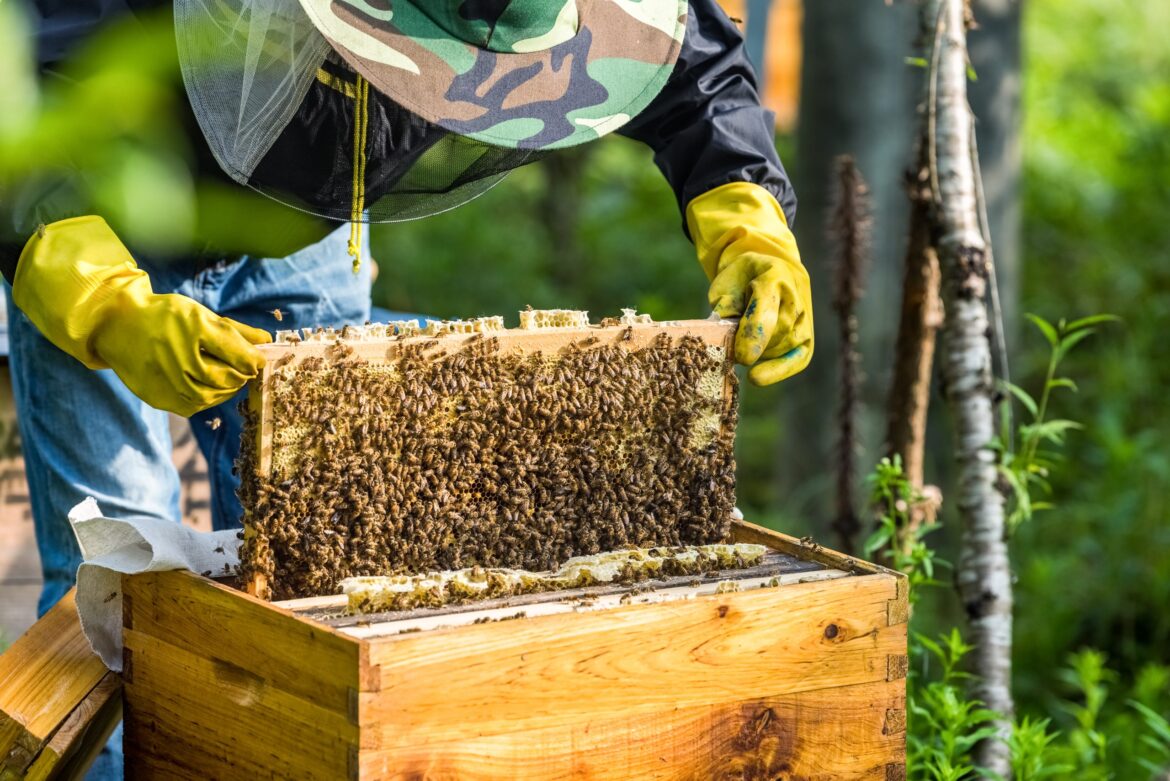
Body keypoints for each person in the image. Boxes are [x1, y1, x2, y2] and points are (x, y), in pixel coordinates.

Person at [1, 1, 812, 777]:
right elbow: (25, 76)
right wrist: (103, 300)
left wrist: (747, 212)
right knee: (108, 593)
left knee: (325, 573)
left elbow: (688, 56)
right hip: (103, 211)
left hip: (302, 232)